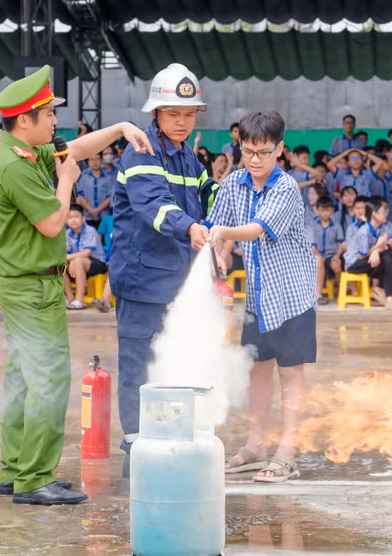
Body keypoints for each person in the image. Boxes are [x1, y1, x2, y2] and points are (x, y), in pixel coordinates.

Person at [0, 64, 151, 505]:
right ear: (25, 120)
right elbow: (52, 222)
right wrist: (65, 181)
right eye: (49, 114)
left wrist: (120, 128)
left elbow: (74, 148)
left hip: (24, 283)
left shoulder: (18, 149)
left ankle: (14, 470)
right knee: (49, 380)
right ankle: (34, 478)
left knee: (22, 379)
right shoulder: (14, 165)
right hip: (32, 288)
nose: (56, 121)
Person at [110, 63, 214, 479]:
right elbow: (153, 206)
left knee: (174, 365)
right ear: (156, 113)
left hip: (177, 282)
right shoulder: (141, 151)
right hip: (142, 282)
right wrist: (190, 227)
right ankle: (136, 452)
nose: (183, 122)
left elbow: (208, 193)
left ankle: (169, 442)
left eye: (189, 114)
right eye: (174, 114)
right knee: (138, 368)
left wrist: (234, 200)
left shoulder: (189, 156)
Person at [205, 110, 317, 482]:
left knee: (291, 372)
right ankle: (257, 446)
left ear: (279, 149)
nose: (255, 160)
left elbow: (254, 229)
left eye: (263, 152)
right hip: (256, 298)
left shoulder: (285, 188)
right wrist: (218, 257)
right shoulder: (232, 184)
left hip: (291, 297)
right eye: (248, 151)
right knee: (258, 370)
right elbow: (216, 230)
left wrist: (224, 235)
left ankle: (288, 452)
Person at [343, 195, 392, 309]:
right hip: (354, 264)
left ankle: (383, 291)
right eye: (383, 212)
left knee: (389, 254)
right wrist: (377, 247)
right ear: (374, 214)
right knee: (387, 256)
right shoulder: (364, 232)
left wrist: (377, 250)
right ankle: (386, 293)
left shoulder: (381, 227)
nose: (386, 213)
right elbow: (362, 256)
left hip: (368, 259)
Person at [63, 204, 107, 309]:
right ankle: (70, 296)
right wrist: (71, 260)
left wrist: (72, 260)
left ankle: (80, 300)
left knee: (78, 261)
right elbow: (64, 254)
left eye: (76, 217)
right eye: (70, 217)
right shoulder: (67, 233)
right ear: (66, 220)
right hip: (77, 262)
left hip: (97, 262)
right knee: (59, 263)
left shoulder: (90, 230)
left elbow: (86, 253)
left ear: (83, 218)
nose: (73, 220)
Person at [308, 196, 344, 305]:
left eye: (327, 210)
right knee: (319, 260)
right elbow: (312, 246)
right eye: (322, 210)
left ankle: (340, 289)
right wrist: (318, 255)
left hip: (331, 255)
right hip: (317, 255)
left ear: (332, 210)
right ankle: (318, 294)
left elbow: (340, 245)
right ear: (317, 210)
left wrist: (337, 256)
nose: (325, 213)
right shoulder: (312, 226)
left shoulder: (337, 226)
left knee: (336, 266)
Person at [76, 153, 113, 224]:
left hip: (104, 216)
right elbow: (81, 196)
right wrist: (91, 210)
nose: (95, 162)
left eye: (97, 159)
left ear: (101, 160)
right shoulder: (84, 177)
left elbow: (110, 197)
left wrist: (96, 211)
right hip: (87, 216)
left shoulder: (109, 178)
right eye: (92, 160)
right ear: (88, 162)